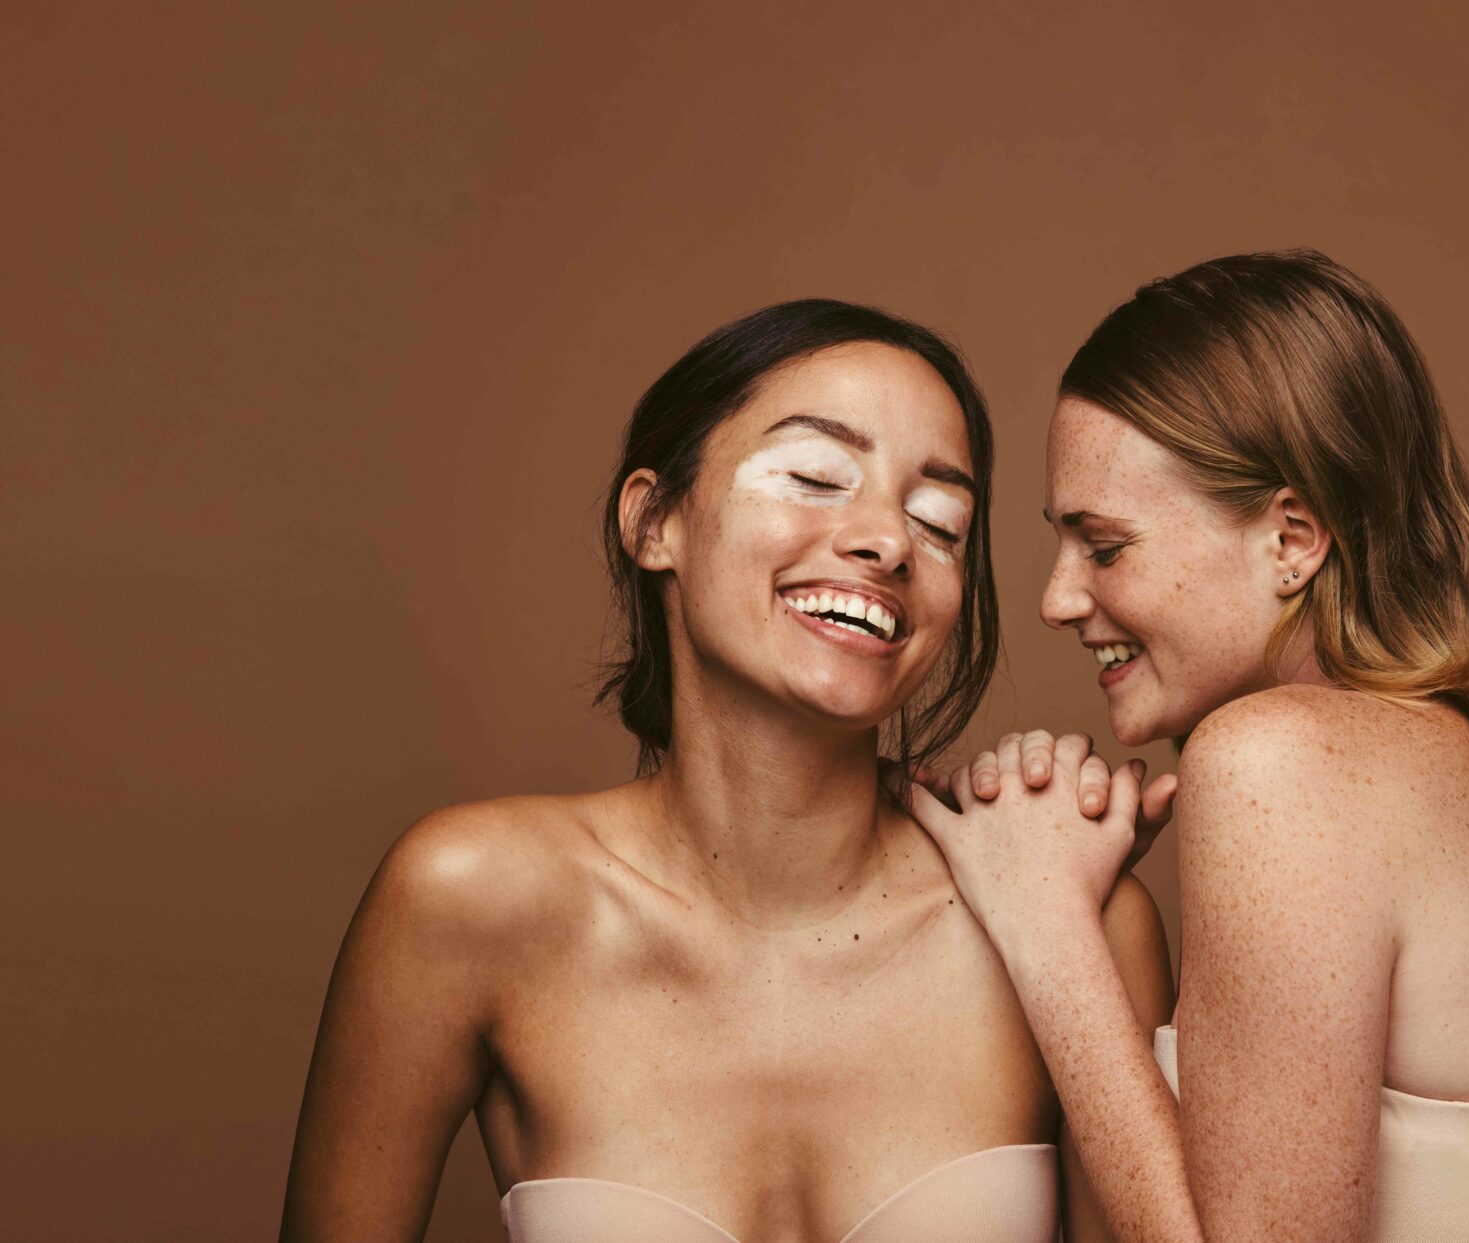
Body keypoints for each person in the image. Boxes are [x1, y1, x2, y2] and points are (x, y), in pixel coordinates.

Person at [280, 299, 1174, 1243]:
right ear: (654, 520)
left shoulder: (1077, 919)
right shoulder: (468, 901)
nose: (888, 540)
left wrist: (1057, 924)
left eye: (940, 521)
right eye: (815, 475)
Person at [904, 251, 1469, 1241]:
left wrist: (1044, 919)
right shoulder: (1462, 765)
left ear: (1292, 537)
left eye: (1106, 544)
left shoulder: (1278, 758)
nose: (1057, 598)